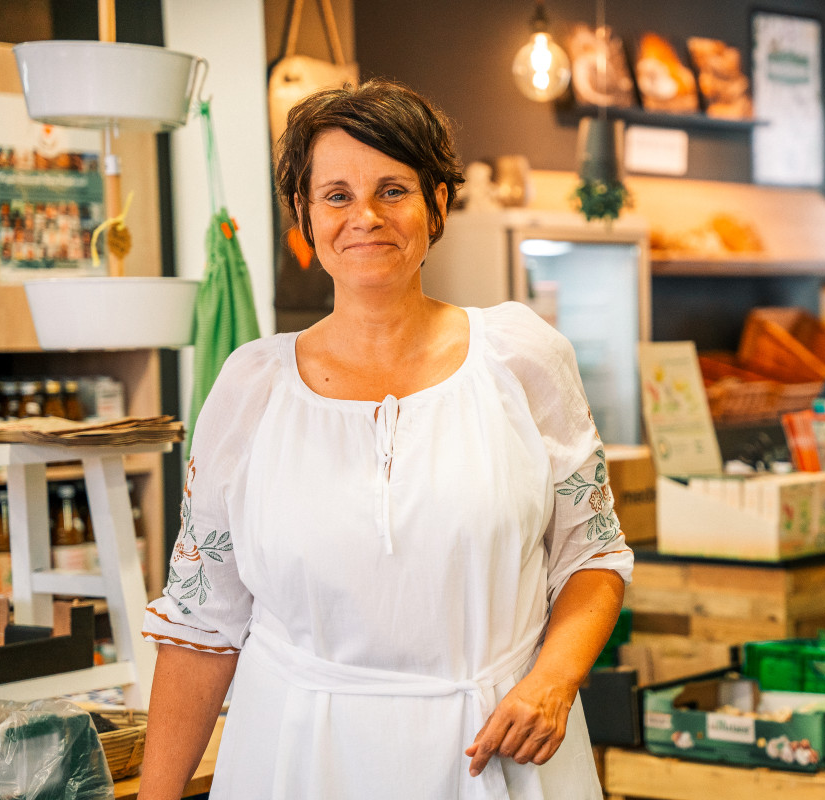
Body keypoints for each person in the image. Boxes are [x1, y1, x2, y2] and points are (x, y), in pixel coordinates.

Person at [137, 79, 633, 799]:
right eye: (336, 195)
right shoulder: (251, 389)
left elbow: (592, 555)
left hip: (495, 753)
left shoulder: (522, 358)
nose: (364, 217)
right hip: (296, 758)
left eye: (392, 190)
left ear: (437, 203)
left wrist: (555, 680)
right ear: (303, 215)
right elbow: (202, 621)